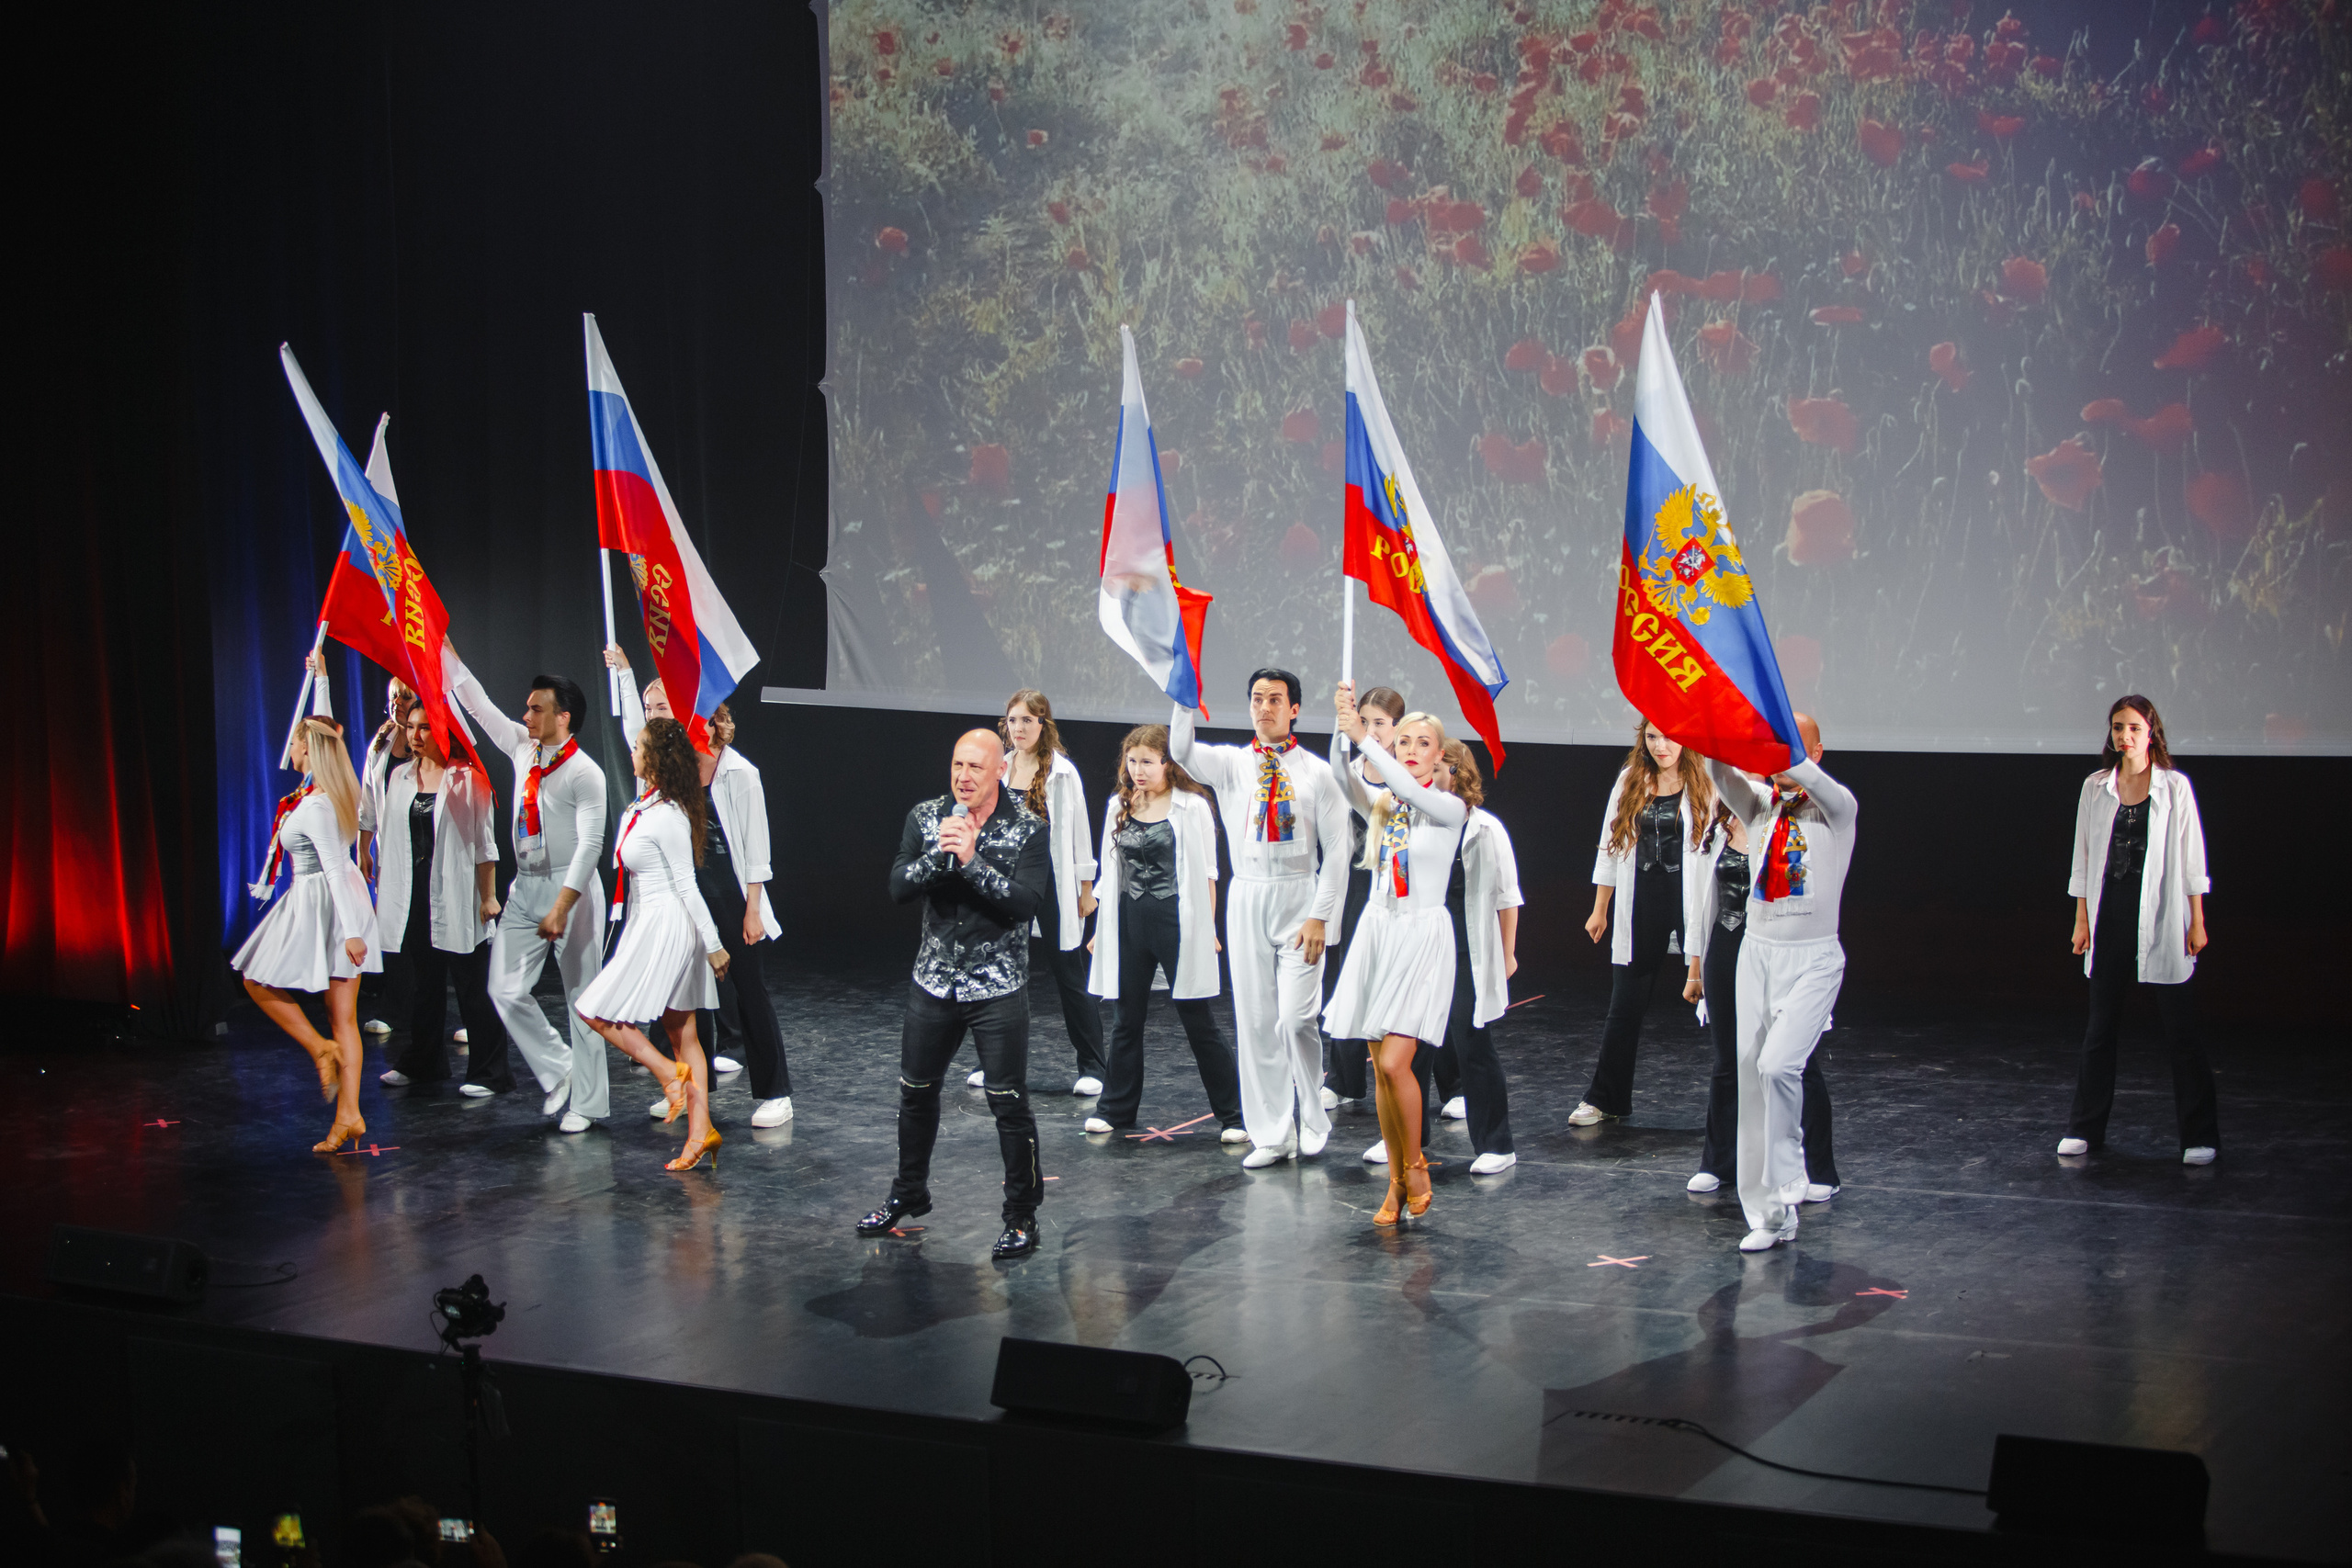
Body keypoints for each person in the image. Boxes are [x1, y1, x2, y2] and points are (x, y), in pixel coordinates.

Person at [858, 729, 1052, 1259]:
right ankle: (908, 1191)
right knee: (916, 1093)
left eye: (975, 768)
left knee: (1008, 1103)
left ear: (998, 773)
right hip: (935, 983)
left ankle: (1021, 1216)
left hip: (997, 988)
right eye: (957, 766)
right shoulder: (927, 817)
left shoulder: (1028, 829)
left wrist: (971, 863)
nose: (963, 777)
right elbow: (899, 886)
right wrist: (938, 859)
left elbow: (1025, 904)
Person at [1170, 670, 1351, 1168]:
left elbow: (1338, 850)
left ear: (1294, 708)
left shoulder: (1317, 772)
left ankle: (1314, 1116)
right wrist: (1185, 700)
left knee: (1295, 1020)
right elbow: (1181, 751)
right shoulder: (1231, 764)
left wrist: (1320, 916)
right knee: (1255, 1021)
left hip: (1300, 896)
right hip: (1248, 894)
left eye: (1275, 699)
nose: (1264, 706)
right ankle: (1272, 1132)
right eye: (1256, 698)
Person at [609, 649, 788, 1126]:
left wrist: (752, 910)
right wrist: (625, 676)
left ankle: (775, 1093)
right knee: (690, 995)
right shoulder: (674, 770)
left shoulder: (740, 773)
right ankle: (693, 1089)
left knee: (750, 990)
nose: (657, 719)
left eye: (666, 708)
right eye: (654, 710)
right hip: (685, 894)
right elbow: (635, 735)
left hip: (732, 893)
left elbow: (757, 852)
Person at [444, 637, 610, 1131]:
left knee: (584, 1000)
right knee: (504, 987)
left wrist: (562, 905)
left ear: (564, 717)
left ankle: (588, 1103)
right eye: (528, 708)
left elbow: (590, 846)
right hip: (526, 886)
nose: (527, 716)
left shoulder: (586, 773)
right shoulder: (523, 748)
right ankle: (560, 1069)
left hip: (571, 890)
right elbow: (476, 703)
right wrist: (444, 649)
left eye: (537, 709)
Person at [1705, 714, 1856, 1252]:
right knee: (1750, 1077)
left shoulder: (1838, 809)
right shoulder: (1763, 806)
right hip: (1758, 954)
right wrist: (1713, 727)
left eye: (1792, 745)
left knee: (1779, 1064)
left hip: (1812, 960)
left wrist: (1780, 754)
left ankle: (1794, 1168)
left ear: (1817, 748)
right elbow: (1720, 772)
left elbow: (1811, 779)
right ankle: (1768, 1217)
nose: (1781, 755)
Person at [1325, 685, 1471, 1224]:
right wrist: (1344, 733)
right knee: (1381, 1072)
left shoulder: (1448, 808)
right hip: (1379, 934)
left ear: (1441, 754)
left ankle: (1415, 1164)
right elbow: (1346, 783)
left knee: (1394, 1062)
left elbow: (1407, 785)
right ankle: (1394, 1183)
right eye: (1402, 739)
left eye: (1421, 741)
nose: (1409, 748)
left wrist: (1369, 740)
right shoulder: (1388, 803)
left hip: (1420, 937)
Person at [232, 660, 380, 1152]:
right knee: (342, 1017)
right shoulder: (323, 792)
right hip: (329, 901)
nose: (290, 747)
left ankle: (322, 1052)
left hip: (328, 902)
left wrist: (352, 932)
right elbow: (324, 732)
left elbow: (336, 867)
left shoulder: (317, 805)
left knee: (260, 981)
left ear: (305, 748)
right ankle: (350, 1115)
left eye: (296, 741)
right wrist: (320, 680)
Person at [2060, 695, 2216, 1164]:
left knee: (2180, 1031)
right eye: (2116, 727)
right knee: (2100, 1027)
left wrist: (2197, 919)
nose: (2123, 736)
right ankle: (2085, 1128)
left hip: (2162, 914)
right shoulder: (2096, 787)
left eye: (2132, 727)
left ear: (2151, 732)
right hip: (2111, 913)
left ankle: (2199, 1135)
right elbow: (2083, 857)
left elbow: (2192, 859)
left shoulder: (2174, 787)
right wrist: (2081, 919)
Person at [572, 716, 731, 1170]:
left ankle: (667, 1074)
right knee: (684, 1034)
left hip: (669, 925)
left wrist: (714, 944)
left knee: (593, 1008)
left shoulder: (668, 817)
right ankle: (701, 1133)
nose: (632, 752)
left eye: (640, 747)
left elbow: (688, 886)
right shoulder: (644, 807)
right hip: (648, 921)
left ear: (656, 760)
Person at [1081, 724, 1243, 1140]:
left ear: (1169, 764)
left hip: (1176, 922)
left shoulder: (1193, 807)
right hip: (1132, 923)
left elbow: (1209, 873)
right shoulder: (1119, 806)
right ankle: (1116, 1109)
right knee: (1125, 1020)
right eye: (1132, 761)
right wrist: (1102, 929)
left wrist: (1208, 928)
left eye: (1148, 762)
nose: (1138, 770)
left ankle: (1234, 1115)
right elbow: (1110, 872)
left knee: (1198, 1020)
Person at [1683, 795, 1838, 1199]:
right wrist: (1694, 968)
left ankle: (1820, 1170)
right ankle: (1718, 1163)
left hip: (1776, 946)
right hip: (1727, 943)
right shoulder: (1719, 828)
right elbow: (1702, 903)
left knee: (1796, 1062)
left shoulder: (1788, 825)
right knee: (1729, 1059)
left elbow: (1803, 895)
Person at [1568, 720, 1714, 1126]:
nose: (1661, 745)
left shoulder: (1706, 779)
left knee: (1717, 1001)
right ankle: (1605, 1098)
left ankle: (1740, 1104)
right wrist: (1601, 907)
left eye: (1668, 736)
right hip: (1642, 898)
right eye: (1652, 737)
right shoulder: (1631, 779)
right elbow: (1609, 843)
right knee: (1625, 1005)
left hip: (1691, 899)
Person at [364, 704, 509, 1092]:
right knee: (422, 984)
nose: (415, 735)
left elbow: (485, 844)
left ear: (443, 731)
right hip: (413, 894)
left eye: (425, 727)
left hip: (458, 893)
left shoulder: (467, 778)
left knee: (472, 985)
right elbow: (389, 836)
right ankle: (423, 1062)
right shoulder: (400, 777)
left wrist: (488, 897)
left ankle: (489, 1071)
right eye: (410, 727)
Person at [987, 688, 1106, 1098]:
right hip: (1006, 883)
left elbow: (1080, 834)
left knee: (1069, 973)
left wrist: (1086, 889)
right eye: (1013, 720)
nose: (1019, 728)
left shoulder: (1062, 772)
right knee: (998, 973)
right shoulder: (998, 768)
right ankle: (994, 1064)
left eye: (1028, 720)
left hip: (1052, 883)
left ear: (1043, 725)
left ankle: (1093, 1066)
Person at [1320, 684, 1406, 1109]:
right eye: (1364, 722)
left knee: (1409, 984)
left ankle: (1451, 1082)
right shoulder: (1350, 770)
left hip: (1404, 886)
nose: (1370, 731)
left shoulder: (1406, 773)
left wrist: (1362, 739)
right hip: (1359, 884)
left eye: (1379, 724)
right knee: (1350, 978)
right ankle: (1342, 1079)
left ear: (1396, 727)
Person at [356, 676, 417, 1039]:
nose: (398, 702)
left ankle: (453, 1017)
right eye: (393, 696)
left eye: (405, 697)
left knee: (427, 933)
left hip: (425, 849)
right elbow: (368, 799)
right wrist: (364, 848)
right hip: (389, 851)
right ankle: (396, 1010)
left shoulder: (428, 737)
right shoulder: (381, 741)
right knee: (393, 931)